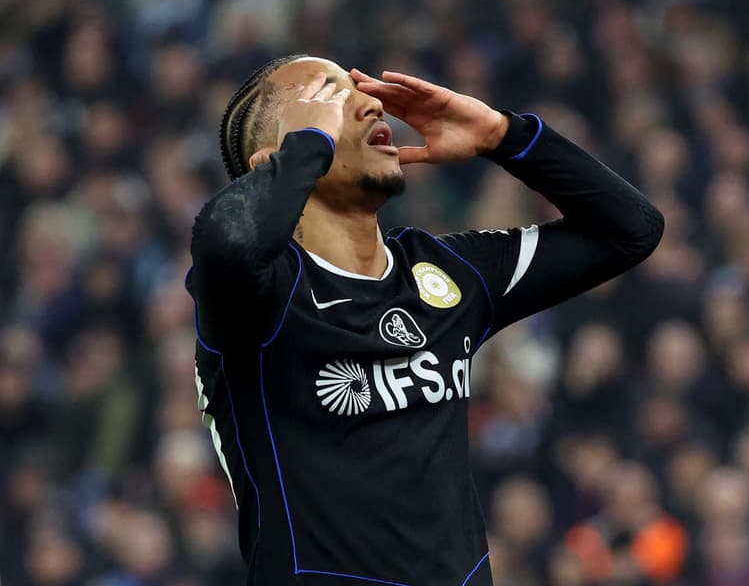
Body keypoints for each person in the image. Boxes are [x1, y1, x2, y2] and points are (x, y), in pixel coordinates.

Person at [185, 54, 664, 586]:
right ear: (274, 160)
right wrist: (309, 149)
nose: (370, 103)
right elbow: (224, 241)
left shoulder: (445, 273)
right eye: (330, 97)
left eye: (360, 89)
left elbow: (631, 230)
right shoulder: (255, 300)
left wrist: (503, 135)